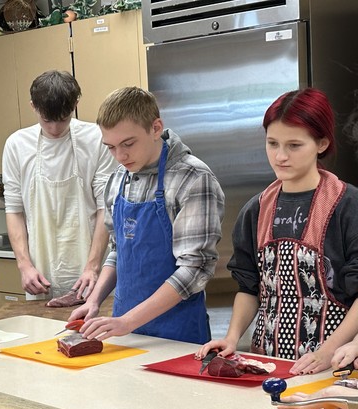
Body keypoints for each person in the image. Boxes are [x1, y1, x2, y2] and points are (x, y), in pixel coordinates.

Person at [198, 88, 358, 374]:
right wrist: (232, 338)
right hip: (268, 361)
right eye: (272, 143)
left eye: (294, 145)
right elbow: (249, 289)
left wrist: (327, 351)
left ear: (321, 143)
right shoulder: (255, 210)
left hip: (334, 362)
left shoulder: (347, 206)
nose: (280, 156)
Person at [70, 86, 225, 344]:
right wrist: (95, 300)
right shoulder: (119, 179)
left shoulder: (193, 179)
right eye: (110, 147)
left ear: (155, 128)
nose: (120, 156)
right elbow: (118, 250)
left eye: (128, 144)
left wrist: (127, 321)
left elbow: (194, 269)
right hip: (123, 332)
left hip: (177, 334)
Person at [2, 70, 117, 301]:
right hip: (40, 273)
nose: (55, 129)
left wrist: (93, 267)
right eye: (47, 120)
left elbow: (106, 207)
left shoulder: (97, 139)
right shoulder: (16, 145)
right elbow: (14, 209)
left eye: (63, 119)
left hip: (91, 270)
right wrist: (24, 266)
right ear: (33, 106)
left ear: (76, 104)